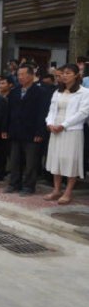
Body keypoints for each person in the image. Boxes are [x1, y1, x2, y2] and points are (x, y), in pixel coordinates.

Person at [44, 64, 89, 205]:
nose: (64, 76)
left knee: (70, 160)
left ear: (76, 75)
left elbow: (83, 113)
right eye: (62, 73)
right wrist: (49, 123)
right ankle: (56, 189)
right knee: (56, 159)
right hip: (55, 129)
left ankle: (68, 192)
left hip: (72, 130)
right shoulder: (58, 92)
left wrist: (64, 125)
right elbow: (52, 110)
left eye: (68, 73)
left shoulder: (84, 92)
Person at [4, 65, 49, 195]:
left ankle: (29, 186)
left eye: (23, 74)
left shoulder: (40, 92)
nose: (20, 77)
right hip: (15, 131)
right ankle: (14, 184)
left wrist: (40, 132)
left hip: (32, 132)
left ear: (31, 75)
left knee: (31, 162)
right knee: (14, 160)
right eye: (18, 75)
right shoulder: (14, 91)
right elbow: (9, 112)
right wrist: (6, 129)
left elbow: (42, 113)